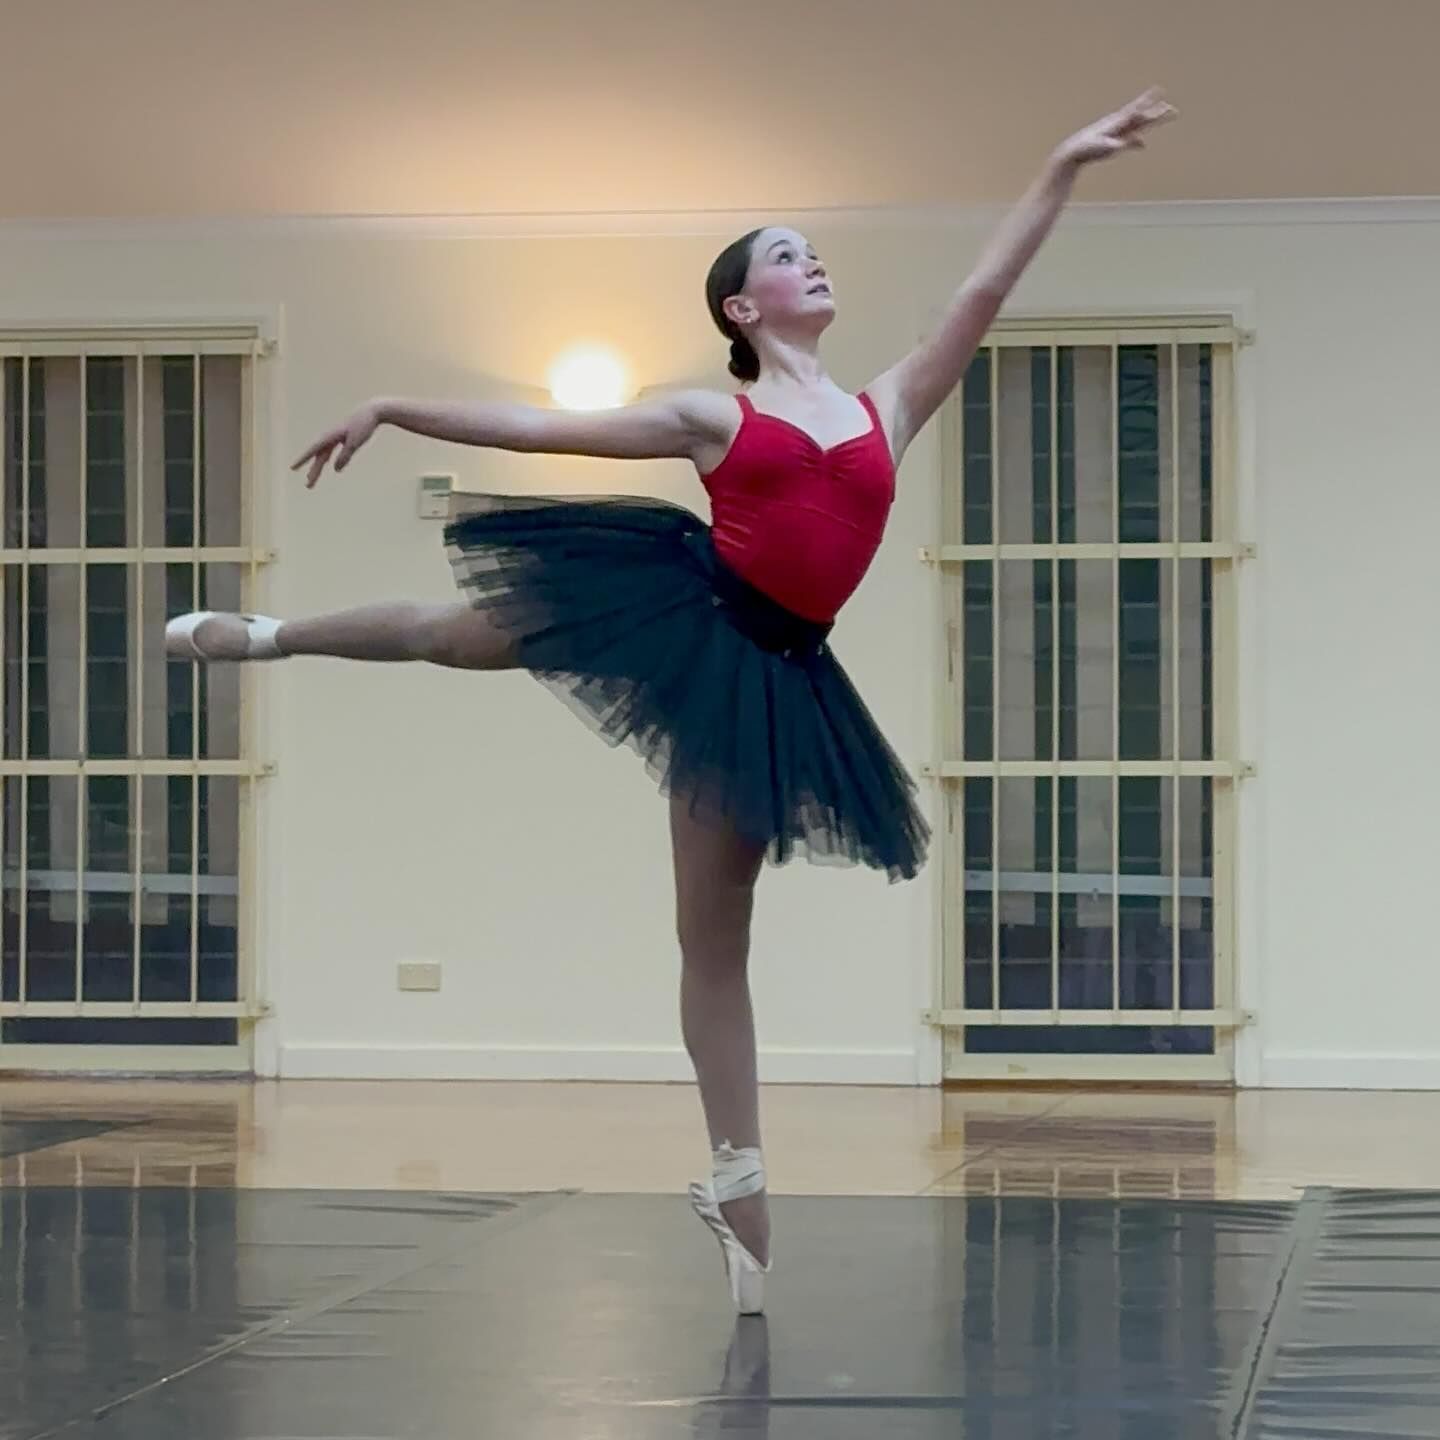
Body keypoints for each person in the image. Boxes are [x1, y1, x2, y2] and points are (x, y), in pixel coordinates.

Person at [166, 89, 1175, 1315]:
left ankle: (734, 1177)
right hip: (690, 616)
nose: (813, 261)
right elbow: (542, 427)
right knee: (456, 636)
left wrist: (1063, 163)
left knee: (717, 937)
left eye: (815, 250)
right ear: (743, 307)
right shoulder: (713, 413)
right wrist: (392, 405)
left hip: (782, 674)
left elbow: (985, 288)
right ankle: (265, 635)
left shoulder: (889, 407)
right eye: (787, 255)